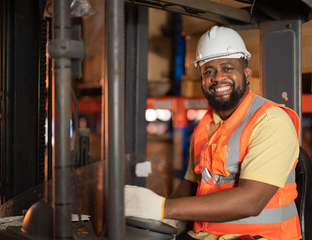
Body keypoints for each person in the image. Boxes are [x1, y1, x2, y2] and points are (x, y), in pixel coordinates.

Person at [125, 26, 302, 240]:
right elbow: (192, 184)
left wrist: (164, 208)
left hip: (263, 236)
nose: (218, 78)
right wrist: (161, 218)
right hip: (208, 234)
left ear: (246, 75)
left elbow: (251, 201)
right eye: (208, 71)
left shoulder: (271, 122)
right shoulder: (205, 126)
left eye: (227, 68)